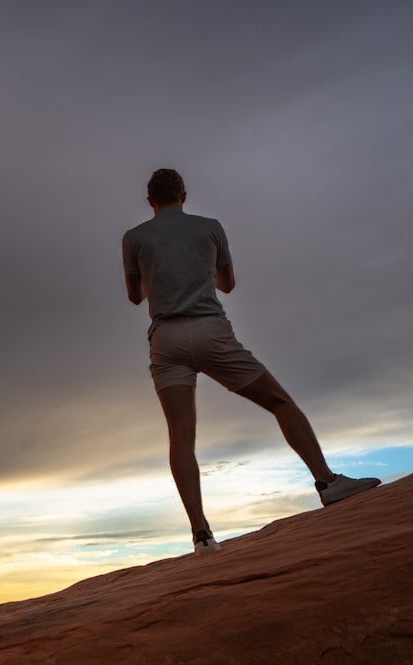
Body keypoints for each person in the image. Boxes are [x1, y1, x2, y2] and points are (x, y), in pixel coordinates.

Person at [122, 168, 381, 555]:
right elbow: (227, 284)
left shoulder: (134, 237)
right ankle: (327, 483)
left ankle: (202, 536)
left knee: (181, 435)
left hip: (166, 339)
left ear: (149, 201)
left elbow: (134, 296)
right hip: (211, 329)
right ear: (184, 195)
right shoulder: (211, 227)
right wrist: (197, 271)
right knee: (279, 402)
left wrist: (160, 273)